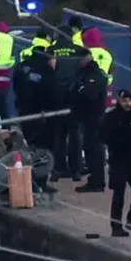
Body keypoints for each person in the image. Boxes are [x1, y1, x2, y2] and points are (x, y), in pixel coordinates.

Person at [101, 90, 131, 236]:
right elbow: (102, 135)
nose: (127, 104)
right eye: (124, 101)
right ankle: (116, 226)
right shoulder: (111, 117)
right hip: (118, 160)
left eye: (129, 100)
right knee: (119, 193)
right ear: (119, 101)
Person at [47, 25, 85, 181]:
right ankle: (76, 169)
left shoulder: (51, 50)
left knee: (58, 134)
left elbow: (50, 69)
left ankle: (58, 169)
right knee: (75, 134)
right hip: (75, 96)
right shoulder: (78, 50)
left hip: (57, 96)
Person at [72, 48, 108, 192]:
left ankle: (97, 181)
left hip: (94, 116)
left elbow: (89, 93)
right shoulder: (84, 73)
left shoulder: (94, 74)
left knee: (94, 149)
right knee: (90, 148)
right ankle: (95, 178)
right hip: (87, 116)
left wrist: (80, 89)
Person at [15, 48, 57, 150]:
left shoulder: (21, 66)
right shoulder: (45, 70)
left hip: (23, 105)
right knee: (41, 137)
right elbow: (48, 90)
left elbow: (16, 85)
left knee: (29, 133)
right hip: (40, 109)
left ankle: (33, 152)